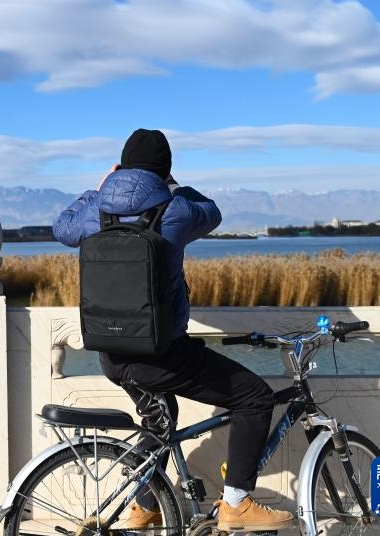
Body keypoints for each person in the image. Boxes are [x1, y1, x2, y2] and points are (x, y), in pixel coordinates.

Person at [53, 128, 294, 532]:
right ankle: (236, 503)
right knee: (254, 398)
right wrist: (173, 186)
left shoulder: (98, 211)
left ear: (120, 166)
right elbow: (212, 211)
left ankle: (144, 507)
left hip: (110, 354)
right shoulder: (174, 209)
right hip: (161, 355)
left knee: (159, 420)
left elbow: (62, 228)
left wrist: (98, 190)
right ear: (165, 171)